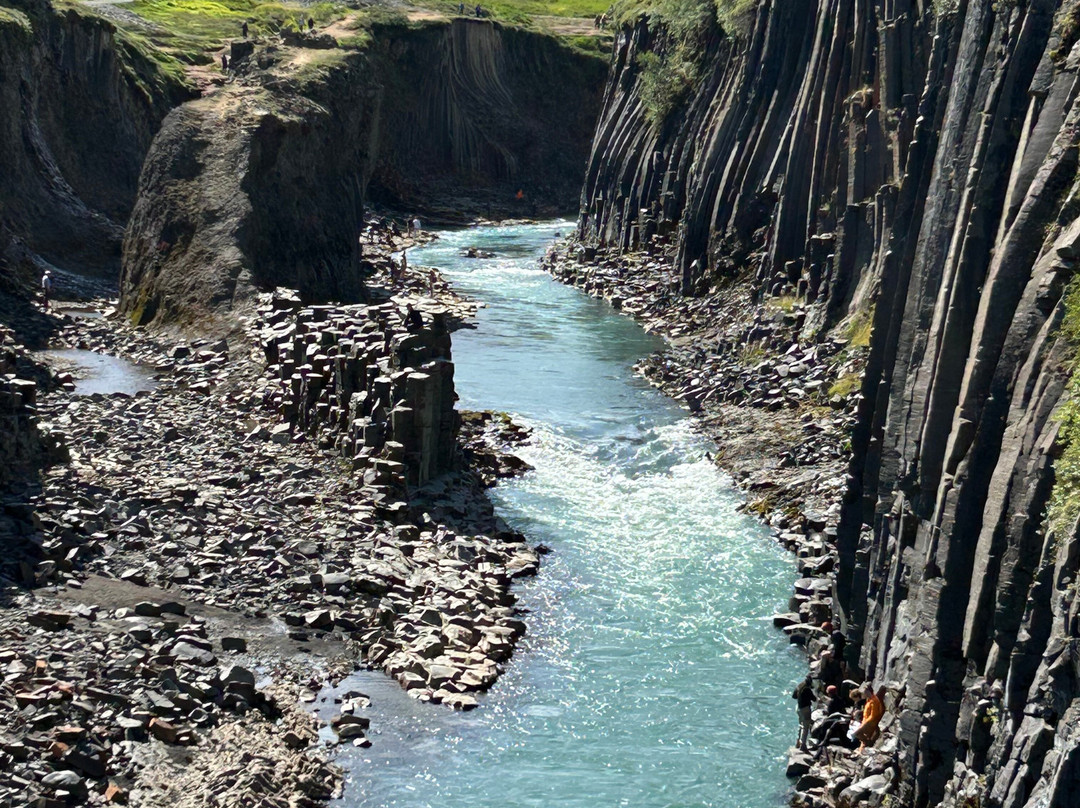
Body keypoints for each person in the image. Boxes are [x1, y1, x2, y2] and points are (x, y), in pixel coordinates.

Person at [853, 684, 885, 750]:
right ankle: (862, 749)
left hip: (871, 722)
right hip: (866, 721)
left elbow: (873, 715)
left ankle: (869, 743)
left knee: (857, 733)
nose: (863, 693)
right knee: (863, 736)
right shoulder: (869, 700)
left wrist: (865, 724)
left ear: (868, 691)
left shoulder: (874, 701)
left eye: (865, 691)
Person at [792, 674, 816, 751]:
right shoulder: (807, 689)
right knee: (806, 727)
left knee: (800, 725)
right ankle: (803, 745)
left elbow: (794, 696)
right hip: (805, 709)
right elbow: (814, 699)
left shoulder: (799, 686)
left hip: (798, 708)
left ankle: (797, 742)